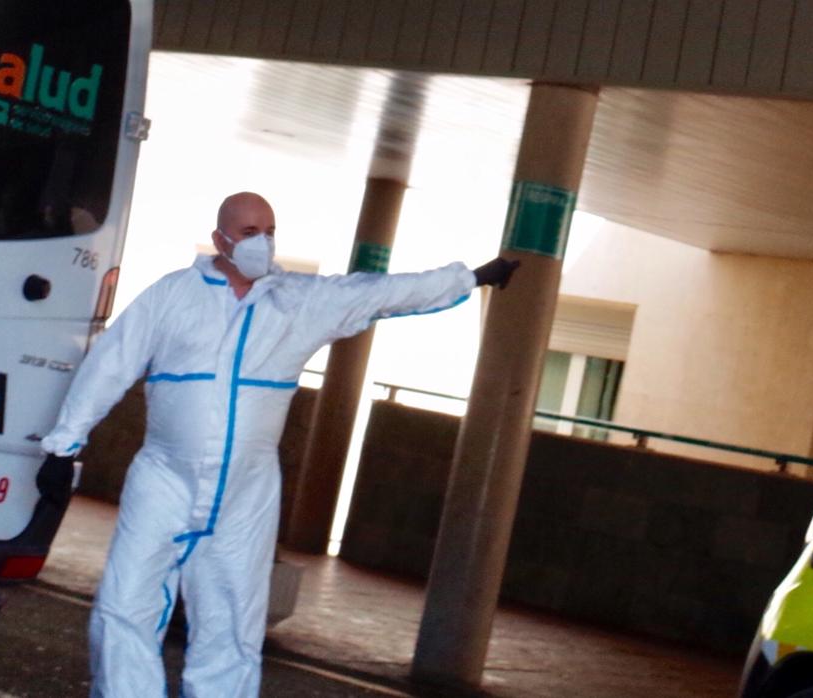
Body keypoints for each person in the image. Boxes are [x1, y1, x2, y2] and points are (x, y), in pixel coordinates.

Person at [40, 192, 518, 697]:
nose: (261, 242)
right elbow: (111, 364)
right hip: (163, 480)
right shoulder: (171, 296)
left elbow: (383, 292)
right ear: (221, 237)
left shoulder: (300, 302)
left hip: (246, 495)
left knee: (231, 623)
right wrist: (63, 445)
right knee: (124, 605)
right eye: (249, 232)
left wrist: (471, 278)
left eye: (269, 230)